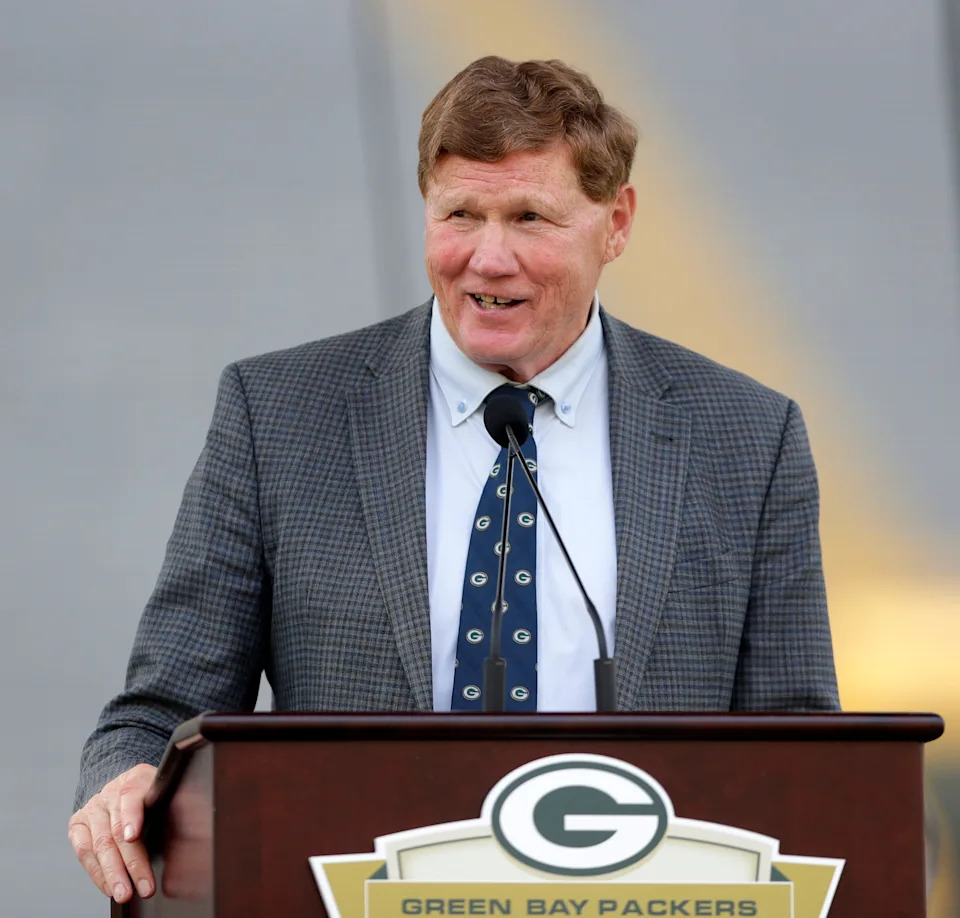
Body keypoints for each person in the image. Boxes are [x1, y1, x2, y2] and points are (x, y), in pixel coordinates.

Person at [68, 55, 840, 903]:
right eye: (460, 214)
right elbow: (159, 713)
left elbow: (807, 757)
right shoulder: (278, 416)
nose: (487, 258)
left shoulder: (745, 437)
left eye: (529, 218)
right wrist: (124, 782)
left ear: (616, 222)